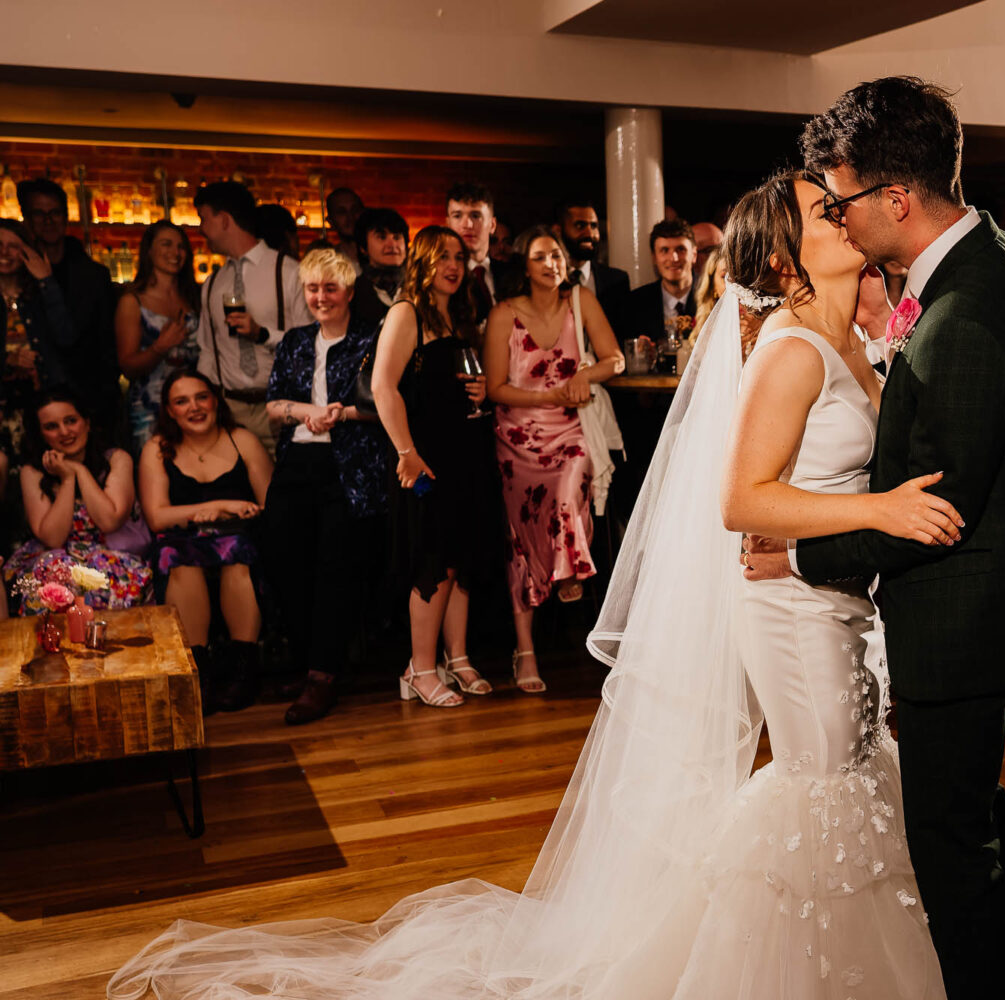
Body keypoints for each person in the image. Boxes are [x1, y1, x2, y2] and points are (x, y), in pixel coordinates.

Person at [104, 165, 962, 1000]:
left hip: (842, 600)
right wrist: (880, 513)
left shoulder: (856, 340)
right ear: (784, 259)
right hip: (795, 611)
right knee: (823, 784)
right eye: (825, 211)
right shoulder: (792, 351)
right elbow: (743, 498)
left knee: (848, 775)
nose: (848, 214)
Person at [774, 75, 1005, 1000]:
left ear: (896, 199)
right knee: (973, 809)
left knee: (947, 837)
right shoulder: (986, 258)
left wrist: (799, 553)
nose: (838, 219)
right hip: (985, 607)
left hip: (960, 617)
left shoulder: (966, 316)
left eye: (842, 199)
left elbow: (931, 513)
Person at [487, 227, 623, 693]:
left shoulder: (580, 300)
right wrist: (544, 393)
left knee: (570, 486)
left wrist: (588, 374)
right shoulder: (505, 314)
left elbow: (615, 359)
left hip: (571, 428)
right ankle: (525, 651)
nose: (553, 263)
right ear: (524, 266)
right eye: (541, 256)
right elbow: (494, 388)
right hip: (517, 436)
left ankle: (569, 570)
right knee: (518, 538)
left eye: (557, 255)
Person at [370, 225, 500, 709]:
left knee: (461, 557)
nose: (453, 266)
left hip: (463, 451)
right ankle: (420, 669)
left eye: (459, 258)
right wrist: (406, 452)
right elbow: (383, 387)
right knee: (433, 561)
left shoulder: (457, 314)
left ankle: (457, 658)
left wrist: (481, 390)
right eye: (443, 257)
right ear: (422, 261)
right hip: (422, 455)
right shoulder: (406, 313)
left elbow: (454, 383)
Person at [263, 249, 389, 725]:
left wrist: (341, 413)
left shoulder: (371, 340)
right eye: (313, 289)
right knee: (285, 561)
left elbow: (384, 404)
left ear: (349, 292)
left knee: (335, 570)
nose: (320, 297)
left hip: (350, 466)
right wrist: (305, 412)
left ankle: (323, 677)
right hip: (298, 461)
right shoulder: (295, 341)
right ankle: (307, 661)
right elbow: (274, 404)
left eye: (330, 288)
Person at [139, 370, 272, 714]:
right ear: (170, 411)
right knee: (177, 557)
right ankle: (200, 673)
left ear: (215, 400)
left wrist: (233, 515)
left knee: (236, 552)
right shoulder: (157, 448)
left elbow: (269, 506)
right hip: (181, 540)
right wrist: (217, 505)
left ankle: (244, 670)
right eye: (181, 401)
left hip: (238, 535)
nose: (194, 408)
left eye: (201, 397)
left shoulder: (242, 440)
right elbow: (157, 517)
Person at [193, 180, 313, 453]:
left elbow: (310, 345)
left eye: (203, 218)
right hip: (228, 412)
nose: (200, 230)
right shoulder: (213, 283)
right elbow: (208, 352)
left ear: (224, 220)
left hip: (279, 407)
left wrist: (262, 334)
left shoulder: (289, 273)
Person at [4, 393, 150, 613]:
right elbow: (53, 537)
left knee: (100, 572)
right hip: (57, 559)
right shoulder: (32, 471)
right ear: (41, 434)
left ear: (87, 423)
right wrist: (67, 479)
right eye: (52, 426)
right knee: (53, 574)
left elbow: (109, 520)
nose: (64, 432)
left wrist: (78, 470)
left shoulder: (116, 459)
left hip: (113, 555)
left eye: (71, 421)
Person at [17, 178, 117, 440]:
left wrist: (101, 402)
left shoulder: (95, 275)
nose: (48, 220)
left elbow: (107, 343)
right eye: (39, 213)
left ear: (65, 217)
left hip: (91, 400)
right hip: (33, 401)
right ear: (27, 219)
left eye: (55, 213)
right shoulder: (16, 275)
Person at [115, 220, 200, 452]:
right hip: (150, 410)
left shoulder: (194, 298)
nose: (176, 252)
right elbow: (127, 367)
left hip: (194, 409)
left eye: (181, 246)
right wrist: (159, 348)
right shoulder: (133, 301)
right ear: (149, 251)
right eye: (166, 244)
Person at [0, 219, 77, 463]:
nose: (4, 252)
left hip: (41, 403)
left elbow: (66, 338)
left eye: (13, 246)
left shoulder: (39, 293)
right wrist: (9, 360)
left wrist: (46, 281)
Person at [555, 199, 629, 329]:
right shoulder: (549, 280)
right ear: (558, 231)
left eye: (594, 226)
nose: (589, 234)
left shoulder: (617, 281)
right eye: (580, 226)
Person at [623, 218, 697, 342]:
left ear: (694, 255)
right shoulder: (635, 304)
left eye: (680, 249)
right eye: (664, 250)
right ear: (654, 257)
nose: (673, 258)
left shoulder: (712, 298)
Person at [445, 182, 499, 320]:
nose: (467, 225)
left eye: (475, 216)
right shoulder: (441, 277)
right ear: (448, 224)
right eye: (457, 216)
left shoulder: (512, 273)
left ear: (492, 225)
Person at [349, 207, 408, 328]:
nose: (392, 245)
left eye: (397, 237)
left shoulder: (419, 286)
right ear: (363, 247)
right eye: (382, 237)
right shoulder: (352, 292)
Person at [324, 187, 364, 267]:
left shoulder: (382, 259)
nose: (350, 217)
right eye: (342, 212)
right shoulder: (327, 264)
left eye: (355, 209)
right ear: (330, 221)